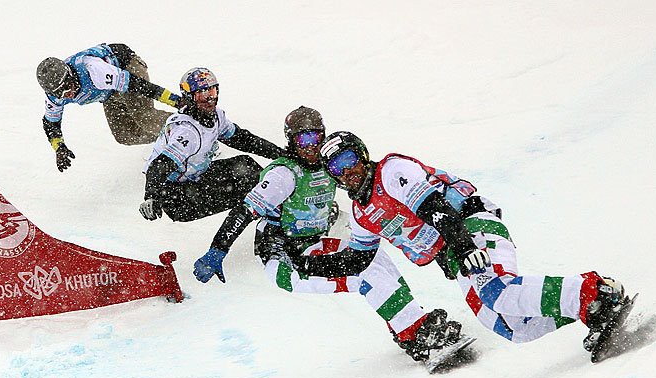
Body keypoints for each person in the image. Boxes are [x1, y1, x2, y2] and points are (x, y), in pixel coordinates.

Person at [283, 130, 631, 356]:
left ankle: (594, 295)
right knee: (512, 326)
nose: (347, 171)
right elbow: (358, 261)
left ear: (362, 154)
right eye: (336, 168)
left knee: (497, 290)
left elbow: (434, 207)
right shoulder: (362, 214)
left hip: (468, 226)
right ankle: (587, 309)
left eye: (348, 160)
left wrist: (465, 247)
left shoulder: (391, 172)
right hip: (454, 252)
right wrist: (307, 264)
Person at [192, 107, 463, 363]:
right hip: (287, 258)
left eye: (316, 137)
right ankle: (415, 333)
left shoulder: (330, 166)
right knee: (364, 274)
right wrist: (218, 249)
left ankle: (410, 326)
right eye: (303, 139)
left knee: (377, 260)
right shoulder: (285, 174)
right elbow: (244, 211)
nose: (311, 146)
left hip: (313, 242)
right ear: (291, 141)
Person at [138, 67, 285, 223]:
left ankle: (272, 205)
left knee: (247, 166)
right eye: (202, 95)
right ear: (190, 98)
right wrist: (151, 196)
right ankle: (269, 217)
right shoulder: (188, 132)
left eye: (212, 92)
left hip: (194, 177)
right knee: (247, 188)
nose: (209, 100)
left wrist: (282, 154)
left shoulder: (216, 116)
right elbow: (160, 165)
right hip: (177, 199)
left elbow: (243, 139)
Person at [36, 43, 182, 172]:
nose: (67, 94)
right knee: (124, 135)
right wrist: (59, 147)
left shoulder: (93, 70)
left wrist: (176, 101)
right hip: (108, 92)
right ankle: (170, 138)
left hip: (128, 68)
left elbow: (142, 86)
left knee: (144, 117)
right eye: (59, 92)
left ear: (70, 74)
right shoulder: (54, 98)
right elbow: (51, 123)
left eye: (67, 86)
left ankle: (186, 128)